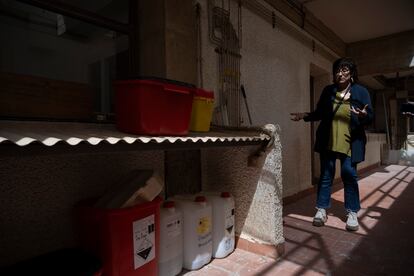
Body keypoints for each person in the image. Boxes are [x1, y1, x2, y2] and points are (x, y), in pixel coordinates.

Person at [290, 57, 373, 231]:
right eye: (337, 70)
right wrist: (305, 115)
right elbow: (320, 112)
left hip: (351, 142)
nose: (340, 73)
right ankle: (321, 210)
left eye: (344, 70)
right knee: (326, 176)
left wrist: (364, 116)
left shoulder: (361, 91)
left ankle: (352, 212)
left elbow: (370, 116)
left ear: (351, 73)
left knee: (349, 175)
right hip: (328, 141)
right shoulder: (329, 90)